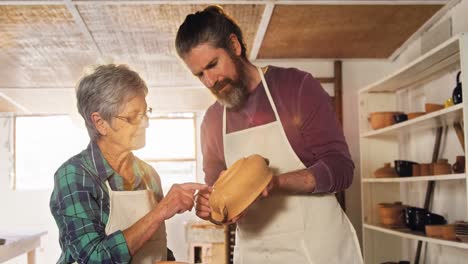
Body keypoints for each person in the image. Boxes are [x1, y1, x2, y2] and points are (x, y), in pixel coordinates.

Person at [175, 5, 363, 264]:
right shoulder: (212, 121)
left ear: (234, 45)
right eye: (199, 75)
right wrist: (209, 209)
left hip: (319, 251)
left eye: (212, 65)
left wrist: (274, 183)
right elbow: (217, 195)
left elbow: (341, 169)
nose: (210, 81)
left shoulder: (297, 88)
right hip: (256, 255)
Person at [49, 64, 207, 264]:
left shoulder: (149, 175)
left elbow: (152, 243)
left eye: (145, 112)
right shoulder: (74, 176)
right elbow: (93, 258)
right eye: (132, 117)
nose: (145, 123)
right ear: (101, 123)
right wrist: (160, 212)